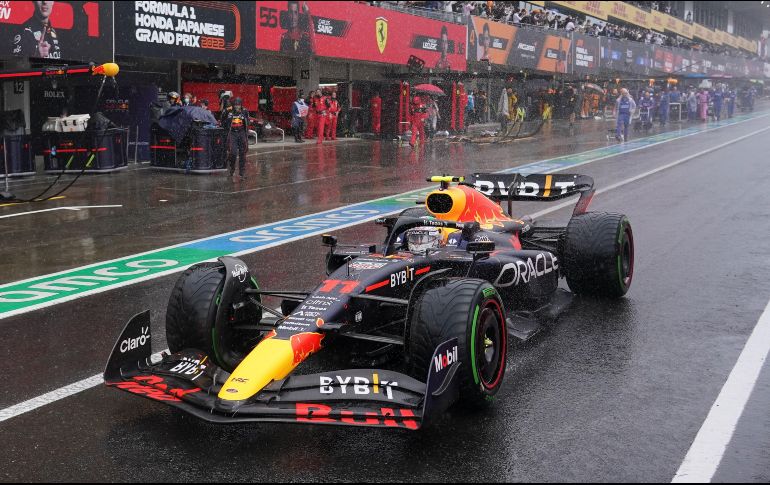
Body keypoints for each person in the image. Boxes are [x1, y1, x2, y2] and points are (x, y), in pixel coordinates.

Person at [222, 97, 249, 178]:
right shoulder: (228, 111)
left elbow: (247, 122)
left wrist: (246, 133)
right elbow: (222, 120)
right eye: (236, 105)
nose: (237, 106)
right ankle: (232, 168)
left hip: (241, 133)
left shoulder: (245, 111)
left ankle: (242, 172)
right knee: (233, 152)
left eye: (239, 105)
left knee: (242, 153)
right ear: (233, 105)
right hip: (232, 133)